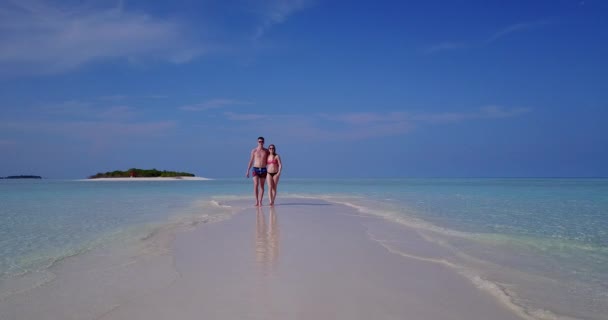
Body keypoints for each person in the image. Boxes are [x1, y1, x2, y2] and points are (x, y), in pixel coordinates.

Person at [246, 136, 269, 206]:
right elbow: (251, 160)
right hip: (255, 168)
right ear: (257, 142)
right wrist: (247, 170)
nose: (261, 143)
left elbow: (270, 159)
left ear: (264, 142)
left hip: (263, 169)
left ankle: (260, 201)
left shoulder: (266, 151)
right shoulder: (254, 150)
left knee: (262, 186)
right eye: (259, 141)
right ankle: (256, 201)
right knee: (256, 185)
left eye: (262, 141)